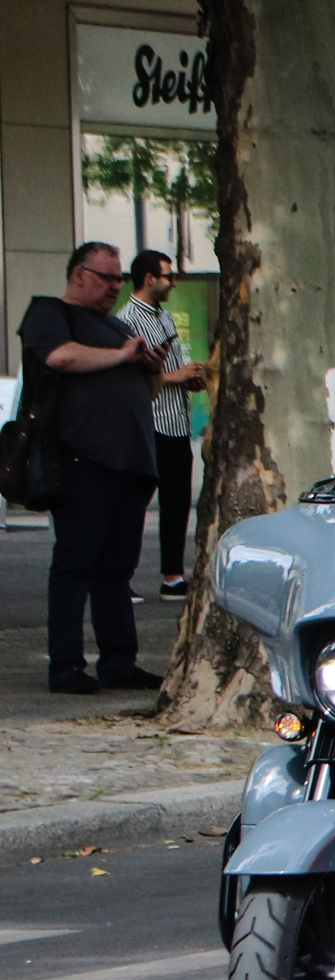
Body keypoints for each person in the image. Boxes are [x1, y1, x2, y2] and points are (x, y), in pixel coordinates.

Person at [19, 242, 164, 694]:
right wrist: (122, 354)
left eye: (119, 278)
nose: (115, 286)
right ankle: (65, 666)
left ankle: (119, 662)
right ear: (80, 274)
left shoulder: (114, 326)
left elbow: (148, 395)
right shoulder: (51, 312)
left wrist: (151, 368)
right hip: (82, 460)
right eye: (107, 277)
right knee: (75, 565)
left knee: (116, 571)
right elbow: (59, 357)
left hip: (129, 465)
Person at [116, 249, 207, 600]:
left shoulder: (166, 318)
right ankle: (120, 576)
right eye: (168, 276)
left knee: (177, 501)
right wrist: (175, 376)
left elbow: (172, 371)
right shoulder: (127, 320)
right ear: (148, 278)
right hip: (149, 422)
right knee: (134, 503)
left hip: (177, 422)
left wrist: (189, 379)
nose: (172, 282)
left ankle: (172, 576)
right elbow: (131, 376)